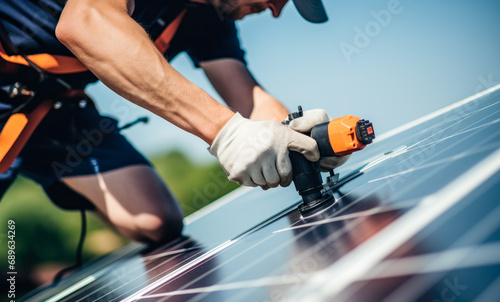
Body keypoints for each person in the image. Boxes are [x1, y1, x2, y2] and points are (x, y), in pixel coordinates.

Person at [0, 0, 343, 245]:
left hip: (54, 108)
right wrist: (227, 133)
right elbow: (85, 23)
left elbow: (248, 96)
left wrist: (302, 140)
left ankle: (53, 167)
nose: (277, 10)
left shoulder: (210, 16)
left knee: (158, 221)